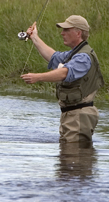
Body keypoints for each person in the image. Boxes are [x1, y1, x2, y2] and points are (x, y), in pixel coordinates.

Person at [21, 15, 104, 143]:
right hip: (72, 115)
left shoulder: (83, 57)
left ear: (78, 33)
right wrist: (34, 38)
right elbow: (53, 57)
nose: (62, 33)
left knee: (74, 158)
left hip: (79, 116)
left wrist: (37, 77)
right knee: (68, 158)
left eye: (66, 30)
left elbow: (65, 73)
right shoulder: (74, 54)